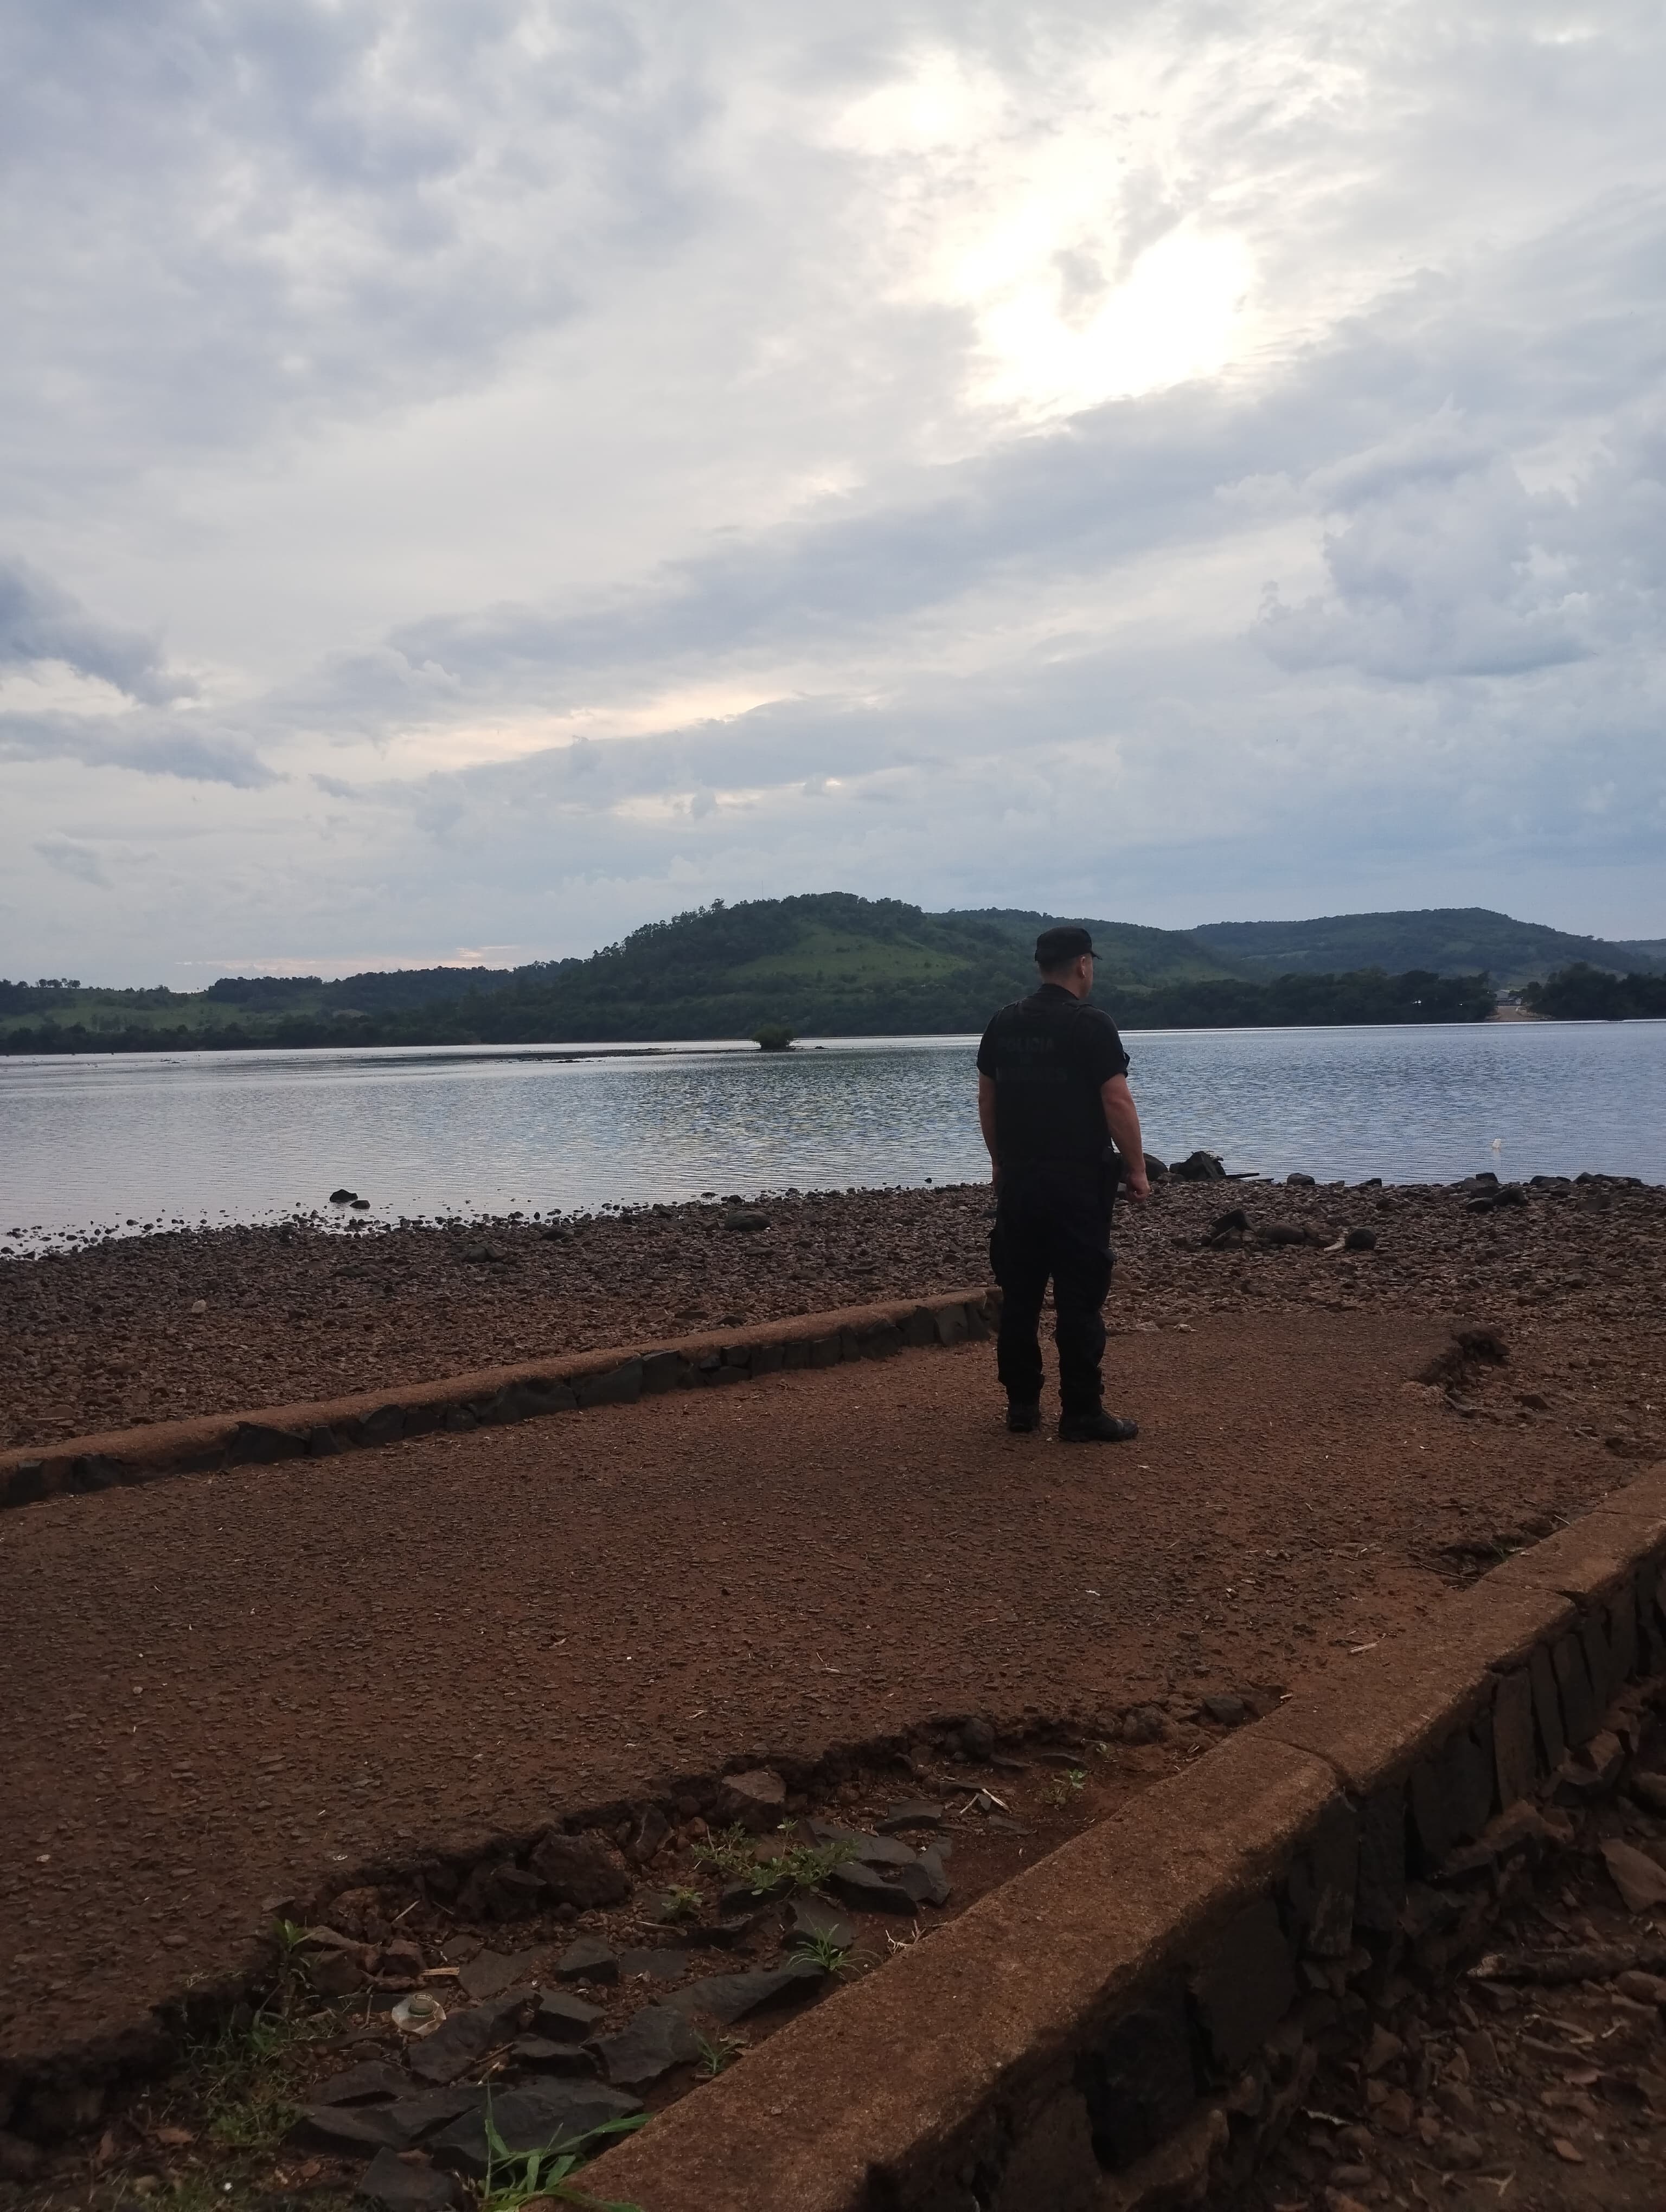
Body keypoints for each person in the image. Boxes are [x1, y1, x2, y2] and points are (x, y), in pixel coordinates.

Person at [976, 924, 1151, 1441]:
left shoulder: (1002, 1022)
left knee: (1021, 1295)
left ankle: (1022, 1406)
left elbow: (988, 1099)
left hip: (1021, 1180)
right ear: (1082, 964)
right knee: (1079, 1298)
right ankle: (1081, 1411)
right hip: (1077, 1183)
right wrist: (1137, 1168)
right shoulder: (1091, 1024)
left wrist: (999, 1163)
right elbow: (1116, 1100)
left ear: (1040, 966)